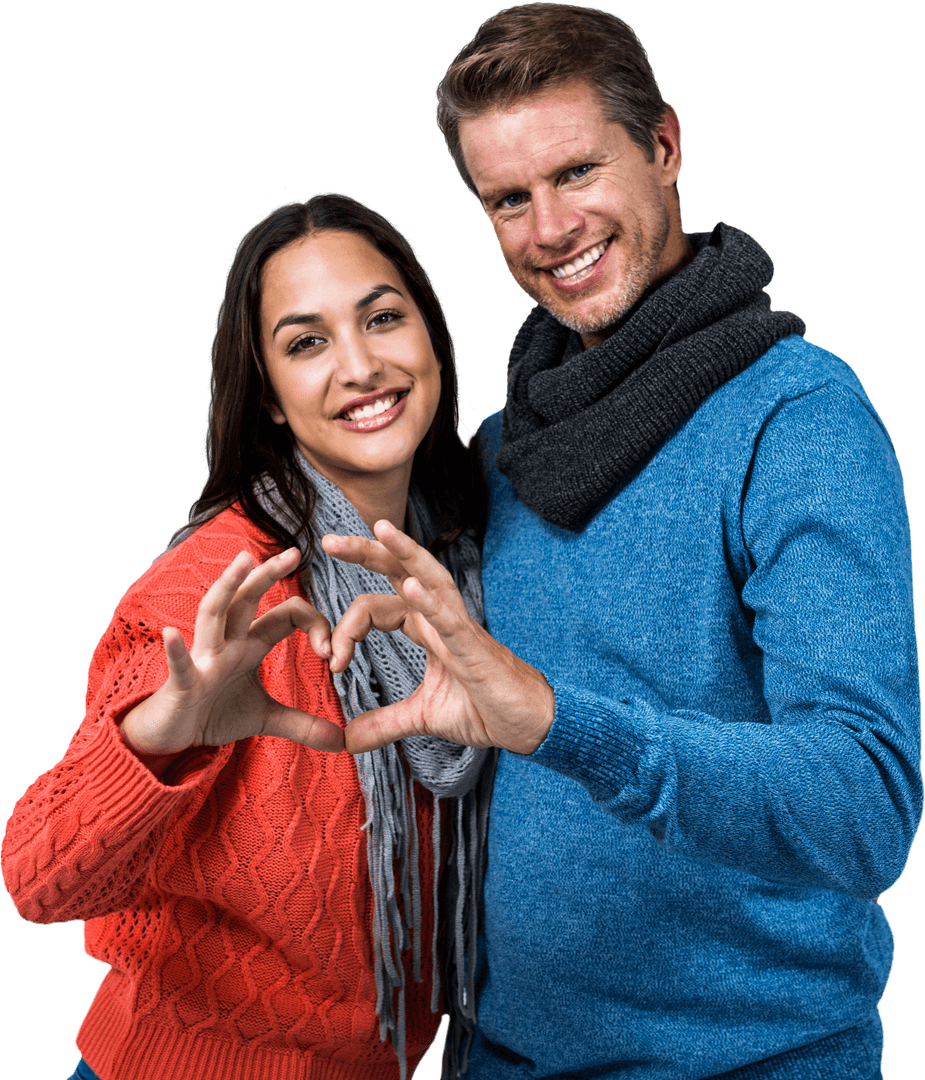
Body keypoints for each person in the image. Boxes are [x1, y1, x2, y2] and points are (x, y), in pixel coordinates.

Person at [321, 5, 922, 1079]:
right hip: (500, 1056)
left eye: (577, 173)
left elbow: (863, 806)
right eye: (509, 199)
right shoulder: (505, 448)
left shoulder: (796, 424)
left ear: (664, 146)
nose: (549, 229)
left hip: (750, 1063)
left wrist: (560, 723)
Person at [1, 193, 495, 1080]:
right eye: (307, 342)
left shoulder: (464, 561)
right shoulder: (219, 588)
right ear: (266, 395)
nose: (360, 365)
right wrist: (162, 734)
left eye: (383, 318)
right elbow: (39, 879)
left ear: (432, 339)